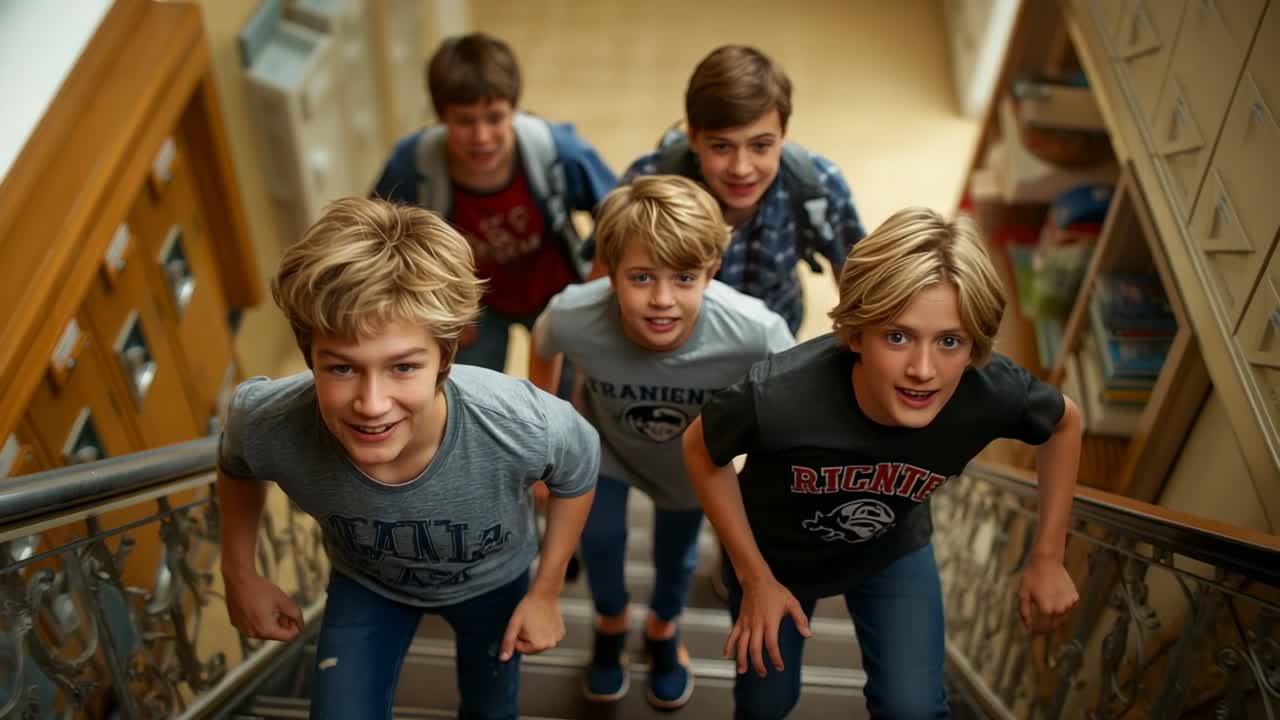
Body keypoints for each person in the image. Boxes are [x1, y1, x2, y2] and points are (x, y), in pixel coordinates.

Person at [682, 207, 1082, 719]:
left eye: (950, 342)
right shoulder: (779, 395)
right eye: (897, 336)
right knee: (766, 703)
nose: (923, 370)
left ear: (974, 346)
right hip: (775, 561)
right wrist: (754, 576)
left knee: (911, 709)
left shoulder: (988, 391)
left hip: (890, 550)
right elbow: (700, 449)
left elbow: (1065, 424)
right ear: (857, 334)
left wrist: (1048, 555)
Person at [216, 198, 600, 720]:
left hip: (495, 583)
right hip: (368, 585)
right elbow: (237, 461)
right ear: (309, 357)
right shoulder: (267, 422)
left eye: (402, 367)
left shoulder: (519, 423)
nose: (372, 405)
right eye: (343, 369)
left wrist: (547, 589)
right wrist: (239, 573)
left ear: (445, 356)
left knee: (492, 709)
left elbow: (580, 467)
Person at [528, 176, 794, 709]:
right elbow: (542, 345)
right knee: (599, 542)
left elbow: (794, 399)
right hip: (606, 452)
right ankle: (611, 623)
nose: (662, 300)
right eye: (641, 277)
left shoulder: (753, 331)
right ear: (608, 275)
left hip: (690, 464)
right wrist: (545, 444)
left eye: (685, 278)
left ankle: (662, 629)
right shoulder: (576, 315)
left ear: (712, 273)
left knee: (677, 555)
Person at [372, 32, 617, 382]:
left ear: (513, 110)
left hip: (555, 290)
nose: (482, 136)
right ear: (441, 118)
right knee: (469, 392)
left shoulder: (557, 151)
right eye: (465, 121)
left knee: (571, 392)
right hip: (471, 304)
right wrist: (430, 311)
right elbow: (377, 246)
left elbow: (620, 214)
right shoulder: (412, 166)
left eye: (495, 117)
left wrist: (596, 282)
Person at [619, 45, 865, 335]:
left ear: (783, 135)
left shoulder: (819, 185)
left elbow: (857, 287)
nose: (741, 168)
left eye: (761, 146)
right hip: (673, 349)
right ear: (693, 137)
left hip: (775, 345)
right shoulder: (647, 181)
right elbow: (602, 281)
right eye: (721, 146)